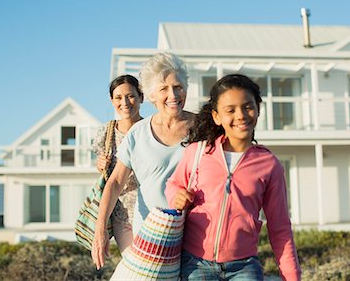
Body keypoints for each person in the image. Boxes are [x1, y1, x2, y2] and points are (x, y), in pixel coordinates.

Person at [165, 74, 301, 280]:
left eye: (248, 106)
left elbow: (280, 228)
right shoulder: (198, 152)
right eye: (230, 110)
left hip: (244, 267)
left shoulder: (269, 164)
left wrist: (292, 276)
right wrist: (177, 195)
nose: (241, 115)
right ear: (217, 116)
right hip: (195, 263)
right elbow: (173, 184)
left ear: (258, 109)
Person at [91, 52, 195, 270]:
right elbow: (115, 182)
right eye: (164, 89)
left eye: (178, 87)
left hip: (194, 233)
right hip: (149, 235)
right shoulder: (138, 133)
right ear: (151, 95)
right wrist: (100, 230)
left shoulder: (202, 128)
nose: (173, 95)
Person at [91, 74, 143, 253]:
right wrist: (99, 165)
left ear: (140, 97)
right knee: (133, 264)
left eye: (130, 96)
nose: (125, 102)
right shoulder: (106, 132)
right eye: (119, 97)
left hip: (152, 211)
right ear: (112, 100)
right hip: (122, 214)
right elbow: (104, 170)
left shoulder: (151, 129)